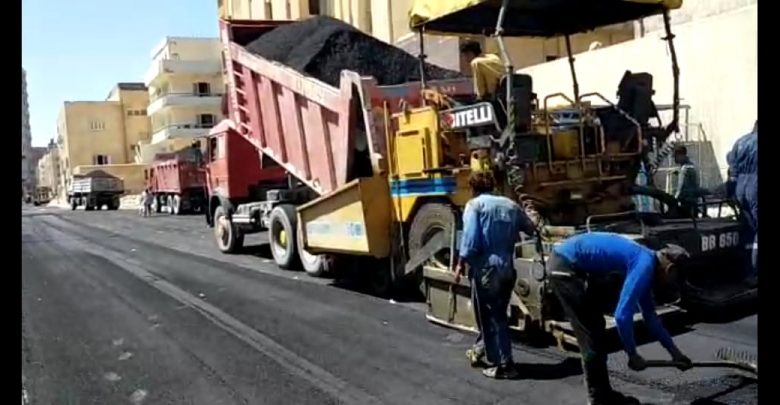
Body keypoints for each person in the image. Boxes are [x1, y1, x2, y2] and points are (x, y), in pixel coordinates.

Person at [548, 232, 693, 405]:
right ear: (670, 269)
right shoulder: (644, 265)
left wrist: (675, 353)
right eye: (675, 278)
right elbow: (622, 317)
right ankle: (597, 398)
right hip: (565, 268)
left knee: (596, 327)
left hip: (571, 264)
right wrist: (632, 354)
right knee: (590, 334)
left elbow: (650, 317)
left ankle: (602, 393)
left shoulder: (646, 260)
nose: (672, 283)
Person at [454, 171, 537, 379]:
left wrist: (460, 264)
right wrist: (532, 212)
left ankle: (504, 365)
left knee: (491, 317)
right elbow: (530, 228)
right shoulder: (510, 205)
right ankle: (483, 350)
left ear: (473, 188)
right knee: (499, 314)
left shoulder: (475, 206)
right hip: (507, 268)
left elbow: (470, 242)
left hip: (486, 269)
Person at [726, 120, 758, 276]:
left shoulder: (740, 142)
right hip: (755, 185)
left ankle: (747, 270)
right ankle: (755, 269)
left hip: (740, 188)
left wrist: (730, 193)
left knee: (748, 229)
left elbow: (732, 171)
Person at [672, 145, 701, 216]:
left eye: (675, 156)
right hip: (694, 202)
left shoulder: (684, 169)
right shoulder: (692, 165)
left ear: (681, 155)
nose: (674, 159)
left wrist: (674, 199)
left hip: (686, 204)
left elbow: (680, 189)